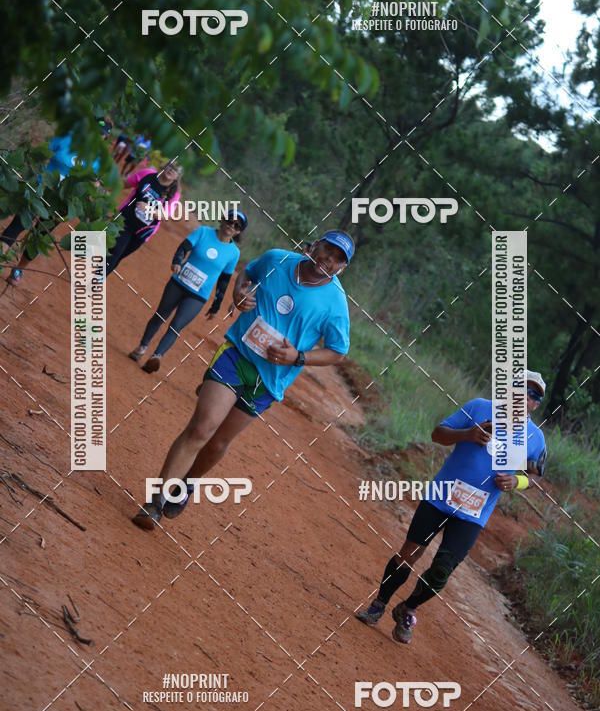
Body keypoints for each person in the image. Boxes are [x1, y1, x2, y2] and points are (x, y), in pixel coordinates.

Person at [132, 229, 354, 529]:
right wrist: (239, 293)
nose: (329, 260)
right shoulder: (278, 259)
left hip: (270, 380)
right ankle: (155, 502)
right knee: (202, 428)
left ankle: (187, 483)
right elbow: (247, 274)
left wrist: (298, 358)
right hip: (237, 354)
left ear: (342, 268)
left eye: (338, 259)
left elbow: (337, 352)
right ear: (315, 245)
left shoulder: (336, 303)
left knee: (218, 442)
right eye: (328, 250)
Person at [355, 371, 548, 644]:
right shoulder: (480, 407)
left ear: (536, 405)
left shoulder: (535, 438)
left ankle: (408, 608)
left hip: (473, 514)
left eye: (534, 396)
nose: (526, 397)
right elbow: (438, 434)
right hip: (439, 497)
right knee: (408, 553)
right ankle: (378, 604)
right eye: (522, 389)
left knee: (442, 571)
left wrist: (516, 480)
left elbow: (536, 475)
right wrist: (468, 434)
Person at [129, 210, 247, 373]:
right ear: (222, 219)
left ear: (238, 231)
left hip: (198, 295)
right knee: (160, 315)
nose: (230, 226)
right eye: (229, 220)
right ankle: (142, 347)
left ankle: (156, 357)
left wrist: (216, 306)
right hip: (178, 283)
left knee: (176, 325)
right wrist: (177, 261)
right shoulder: (203, 232)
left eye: (236, 225)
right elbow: (183, 248)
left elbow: (224, 281)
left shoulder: (234, 253)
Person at [1, 132, 102, 286]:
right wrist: (29, 171)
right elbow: (41, 154)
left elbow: (92, 185)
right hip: (39, 191)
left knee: (39, 237)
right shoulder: (66, 137)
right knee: (17, 225)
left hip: (61, 204)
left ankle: (18, 270)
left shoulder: (97, 158)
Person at [106, 161, 182, 276]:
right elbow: (125, 184)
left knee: (119, 256)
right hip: (125, 219)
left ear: (177, 176)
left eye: (175, 170)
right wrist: (106, 189)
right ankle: (96, 280)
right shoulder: (147, 175)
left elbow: (165, 214)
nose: (171, 170)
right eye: (170, 166)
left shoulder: (174, 194)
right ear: (164, 166)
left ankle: (99, 277)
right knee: (116, 251)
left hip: (143, 232)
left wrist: (148, 209)